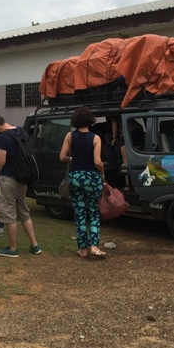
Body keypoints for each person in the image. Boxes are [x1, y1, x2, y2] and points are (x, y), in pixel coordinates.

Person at [0, 113, 41, 258]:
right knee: (24, 212)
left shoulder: (4, 137)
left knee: (9, 214)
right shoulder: (21, 131)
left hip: (8, 179)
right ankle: (35, 245)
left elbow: (1, 162)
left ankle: (12, 249)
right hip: (22, 179)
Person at [59, 106, 107, 259]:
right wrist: (103, 173)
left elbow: (62, 157)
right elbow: (97, 162)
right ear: (90, 120)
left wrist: (72, 159)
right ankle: (94, 247)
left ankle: (82, 249)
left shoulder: (70, 136)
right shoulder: (96, 138)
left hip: (75, 177)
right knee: (93, 212)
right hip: (92, 177)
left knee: (79, 213)